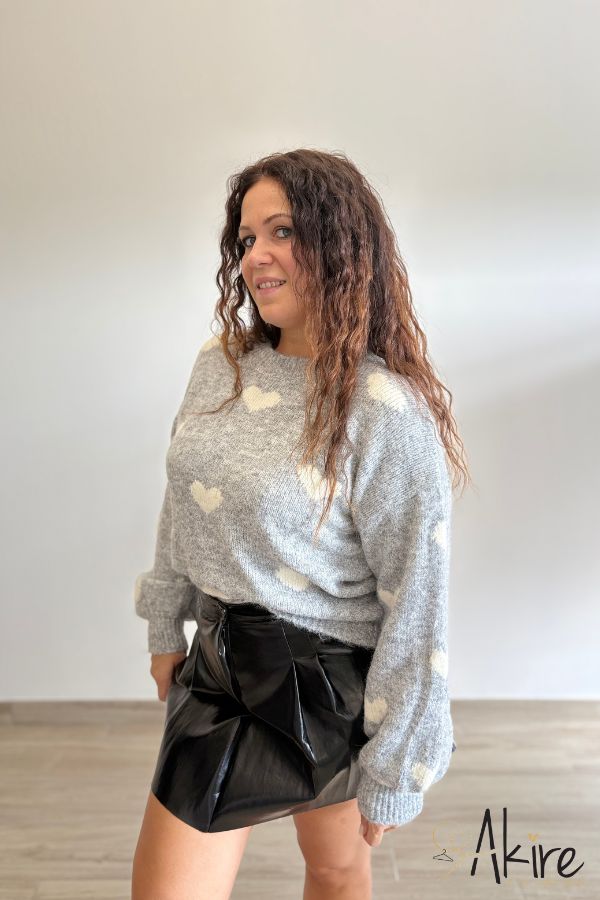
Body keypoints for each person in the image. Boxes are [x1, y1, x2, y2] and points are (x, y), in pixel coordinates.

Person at [131, 148, 470, 900]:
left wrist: (398, 762)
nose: (257, 255)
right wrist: (165, 622)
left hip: (326, 682)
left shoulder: (384, 409)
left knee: (337, 871)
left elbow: (417, 598)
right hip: (217, 668)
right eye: (247, 238)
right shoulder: (221, 364)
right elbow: (185, 497)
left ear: (340, 243)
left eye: (282, 231)